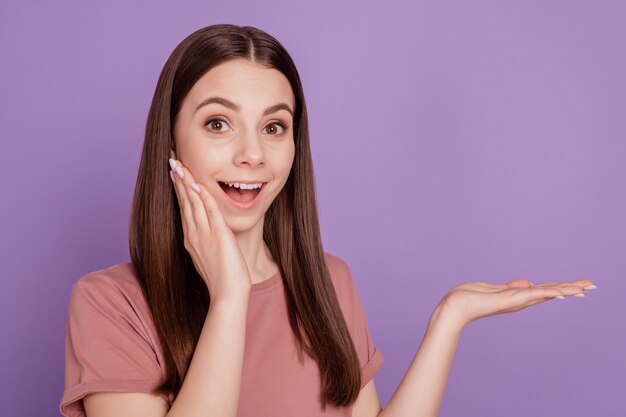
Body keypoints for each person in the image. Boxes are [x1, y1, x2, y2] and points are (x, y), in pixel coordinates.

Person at [59, 23, 596, 417]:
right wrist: (230, 299)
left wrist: (449, 320)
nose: (253, 154)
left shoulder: (329, 281)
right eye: (219, 123)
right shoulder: (110, 304)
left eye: (275, 127)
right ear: (170, 139)